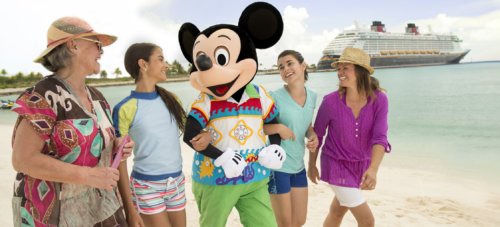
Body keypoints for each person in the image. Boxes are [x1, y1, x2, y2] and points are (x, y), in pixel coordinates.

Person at [11, 16, 134, 226]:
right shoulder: (43, 95)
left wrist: (114, 148)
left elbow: (90, 145)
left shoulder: (97, 96)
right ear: (73, 46)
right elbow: (22, 159)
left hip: (101, 209)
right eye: (97, 44)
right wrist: (87, 176)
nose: (101, 50)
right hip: (54, 214)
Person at [310, 47, 391, 227]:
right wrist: (311, 165)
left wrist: (373, 169)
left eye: (345, 68)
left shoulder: (379, 100)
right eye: (339, 68)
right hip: (335, 164)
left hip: (360, 166)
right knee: (367, 220)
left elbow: (380, 138)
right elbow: (318, 136)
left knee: (336, 213)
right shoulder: (330, 101)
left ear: (360, 71)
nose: (340, 73)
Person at [113, 43, 192, 227]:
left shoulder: (172, 100)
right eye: (160, 59)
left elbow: (190, 131)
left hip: (177, 182)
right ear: (143, 64)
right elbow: (120, 161)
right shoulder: (125, 108)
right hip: (146, 187)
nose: (167, 65)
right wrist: (130, 208)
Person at [263, 50, 318, 227]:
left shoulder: (312, 95)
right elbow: (256, 127)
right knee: (285, 223)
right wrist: (279, 127)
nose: (285, 69)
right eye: (281, 67)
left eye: (289, 63)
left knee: (299, 221)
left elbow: (306, 125)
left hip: (298, 165)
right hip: (278, 166)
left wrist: (313, 135)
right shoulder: (273, 97)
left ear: (303, 65)